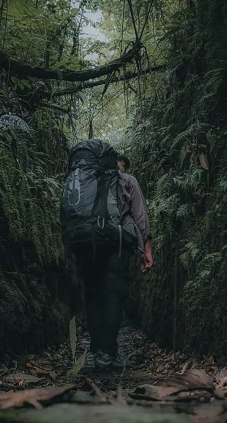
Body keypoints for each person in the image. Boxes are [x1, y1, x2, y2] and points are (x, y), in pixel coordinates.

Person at [73, 153, 153, 369]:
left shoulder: (89, 180)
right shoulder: (129, 181)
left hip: (90, 245)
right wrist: (146, 248)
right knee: (113, 295)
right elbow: (140, 216)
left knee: (94, 294)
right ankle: (107, 353)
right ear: (122, 166)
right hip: (118, 245)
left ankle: (96, 348)